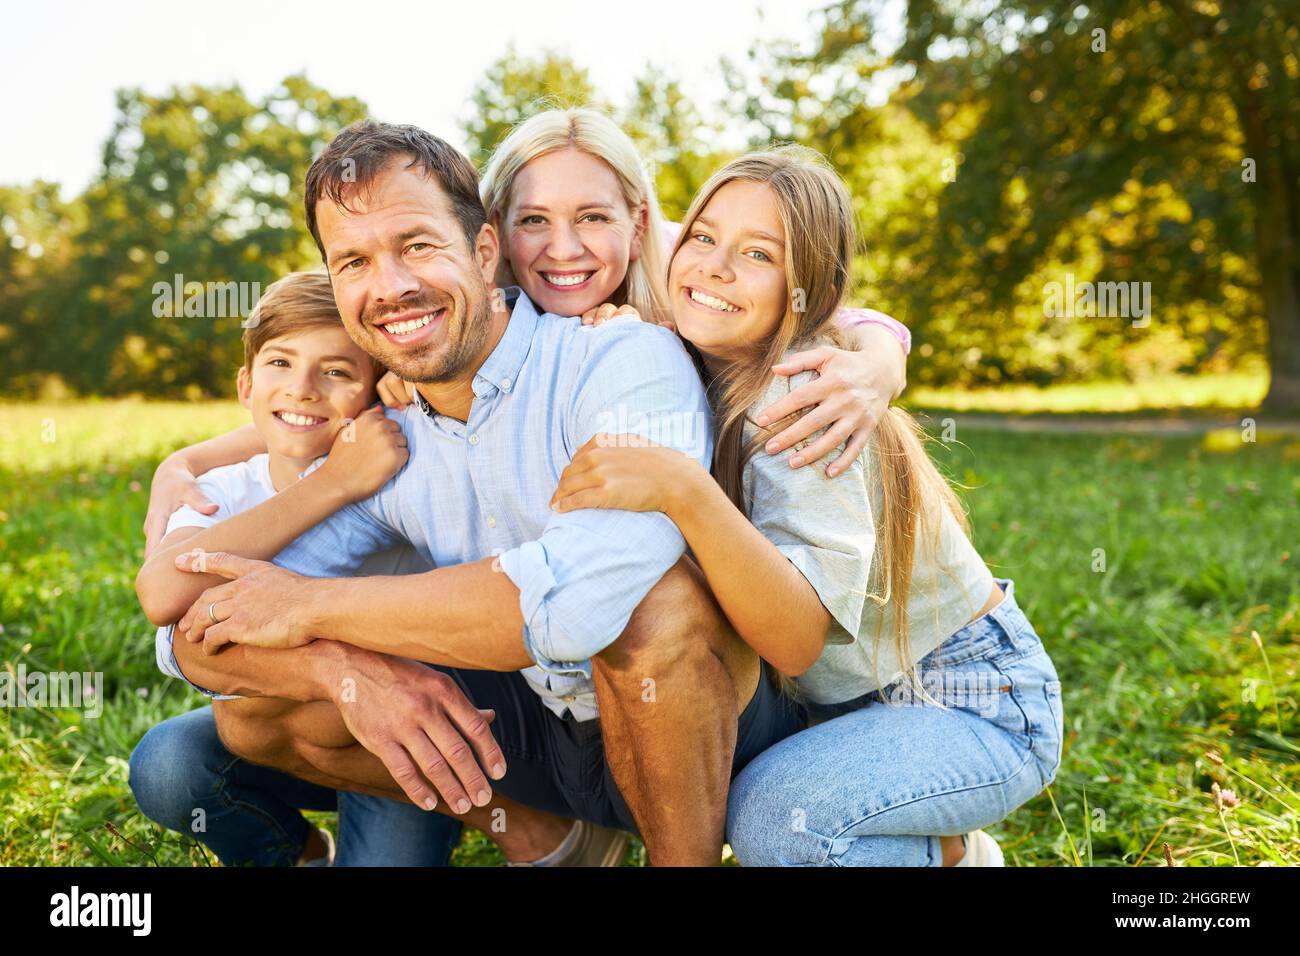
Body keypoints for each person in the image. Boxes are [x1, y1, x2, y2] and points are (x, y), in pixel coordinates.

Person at [166, 120, 808, 866]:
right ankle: (551, 837)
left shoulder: (624, 354)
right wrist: (338, 669)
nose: (391, 286)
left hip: (711, 728)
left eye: (416, 246)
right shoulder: (385, 435)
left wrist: (306, 605)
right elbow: (190, 625)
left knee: (655, 607)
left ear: (481, 251)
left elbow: (578, 604)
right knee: (256, 718)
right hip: (535, 725)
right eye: (353, 262)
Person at [551, 146, 1066, 866]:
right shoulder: (682, 353)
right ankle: (938, 842)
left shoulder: (808, 399)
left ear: (808, 289)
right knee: (712, 777)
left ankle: (950, 857)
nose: (715, 266)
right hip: (839, 706)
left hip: (969, 699)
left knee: (778, 820)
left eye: (758, 254)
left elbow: (795, 642)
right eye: (702, 237)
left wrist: (684, 491)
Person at [128, 271, 473, 866]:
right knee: (168, 766)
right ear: (245, 384)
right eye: (281, 364)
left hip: (400, 741)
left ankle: (475, 814)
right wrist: (335, 483)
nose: (304, 388)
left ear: (378, 391)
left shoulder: (401, 468)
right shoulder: (219, 491)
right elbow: (163, 596)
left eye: (337, 372)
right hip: (282, 730)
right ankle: (300, 853)